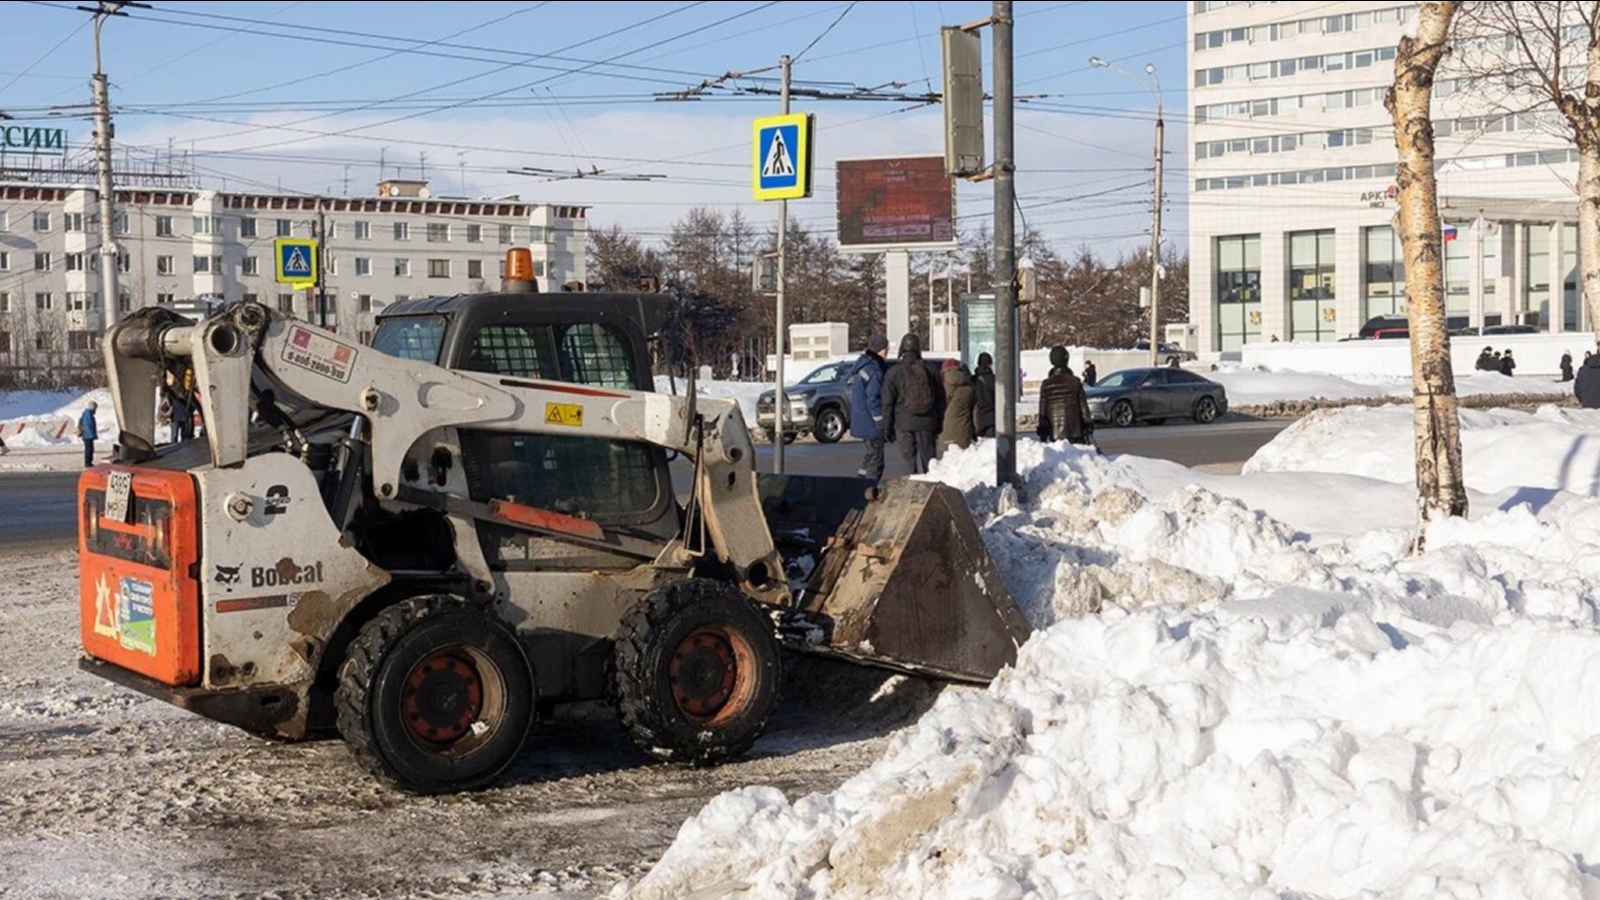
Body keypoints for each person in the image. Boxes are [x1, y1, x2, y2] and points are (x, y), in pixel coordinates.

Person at [881, 332, 944, 475]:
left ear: (902, 349)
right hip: (927, 423)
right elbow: (941, 399)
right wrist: (939, 422)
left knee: (908, 463)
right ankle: (930, 491)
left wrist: (887, 428)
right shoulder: (931, 369)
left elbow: (887, 404)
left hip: (903, 424)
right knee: (930, 465)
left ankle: (911, 488)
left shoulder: (894, 372)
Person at [848, 334, 890, 479]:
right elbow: (874, 399)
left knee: (870, 455)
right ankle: (870, 488)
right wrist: (880, 422)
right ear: (882, 350)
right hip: (871, 423)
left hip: (861, 420)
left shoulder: (863, 366)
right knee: (876, 460)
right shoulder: (875, 370)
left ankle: (859, 483)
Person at [1036, 345, 1093, 446]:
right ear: (1067, 359)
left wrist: (1043, 433)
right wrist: (1088, 426)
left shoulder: (1046, 385)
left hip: (1055, 434)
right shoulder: (1075, 382)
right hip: (1076, 432)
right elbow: (1084, 408)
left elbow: (1042, 412)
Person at [938, 358, 977, 457]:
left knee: (946, 462)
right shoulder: (970, 388)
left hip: (946, 428)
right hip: (964, 430)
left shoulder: (942, 386)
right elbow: (975, 412)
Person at [971, 352, 996, 438]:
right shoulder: (995, 380)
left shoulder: (972, 380)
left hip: (976, 418)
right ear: (990, 364)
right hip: (991, 418)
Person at [77, 401, 99, 468]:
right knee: (89, 449)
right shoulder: (88, 414)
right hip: (88, 436)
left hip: (87, 435)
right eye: (95, 408)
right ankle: (88, 463)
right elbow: (88, 425)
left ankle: (88, 462)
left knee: (89, 449)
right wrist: (92, 435)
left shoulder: (86, 414)